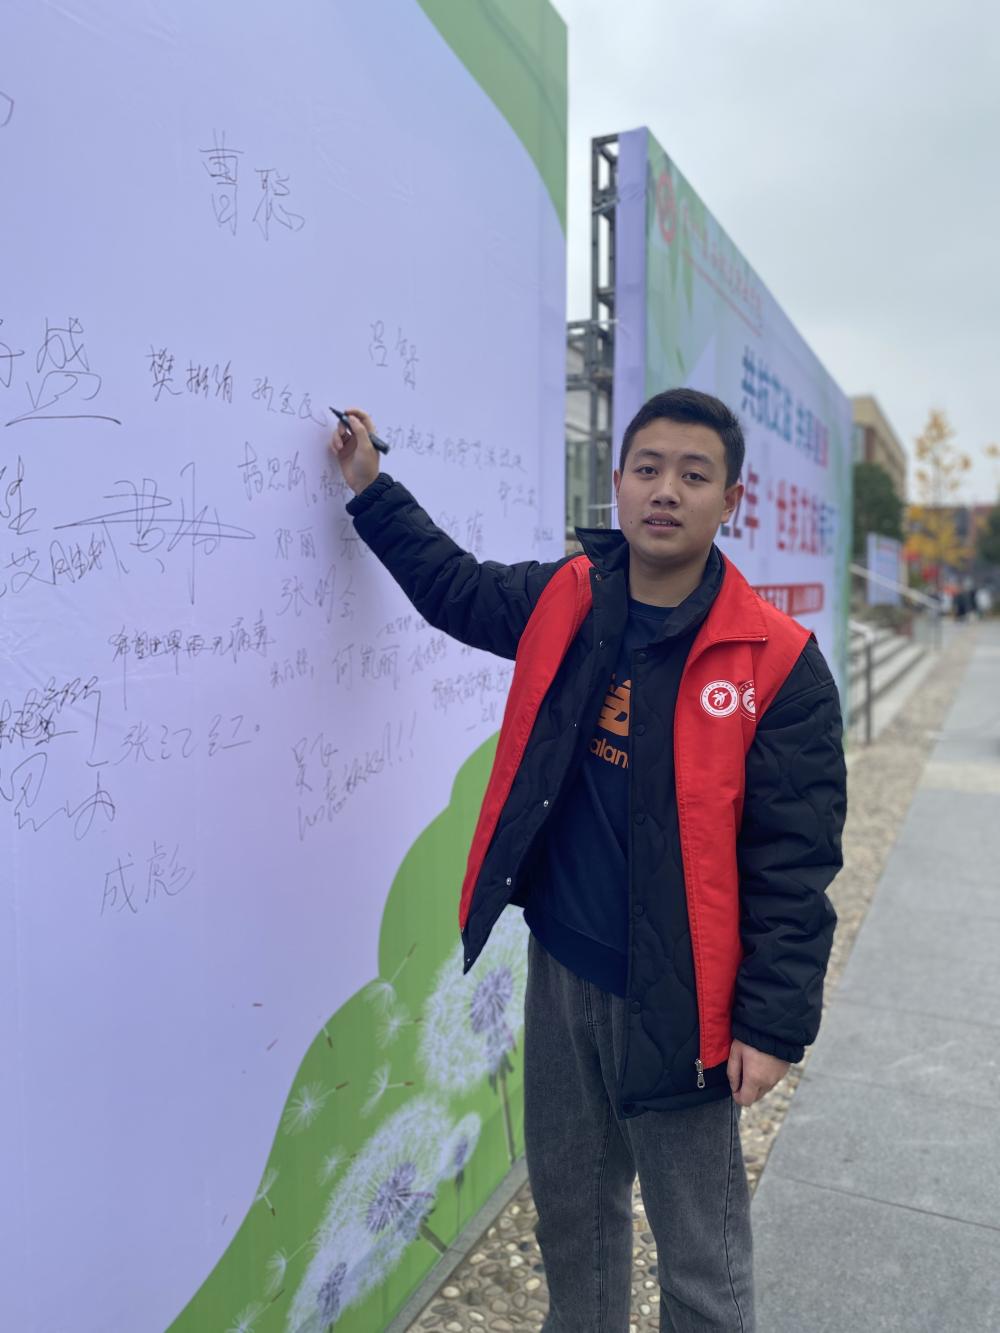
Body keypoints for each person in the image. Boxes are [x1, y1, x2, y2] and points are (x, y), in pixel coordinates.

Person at [331, 388, 847, 1333]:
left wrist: (771, 1024)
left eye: (693, 474)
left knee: (701, 1261)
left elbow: (795, 866)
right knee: (573, 1218)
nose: (666, 490)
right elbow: (456, 588)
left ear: (730, 500)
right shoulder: (567, 598)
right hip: (562, 967)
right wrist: (372, 489)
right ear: (618, 481)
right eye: (648, 468)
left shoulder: (777, 664)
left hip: (685, 1002)